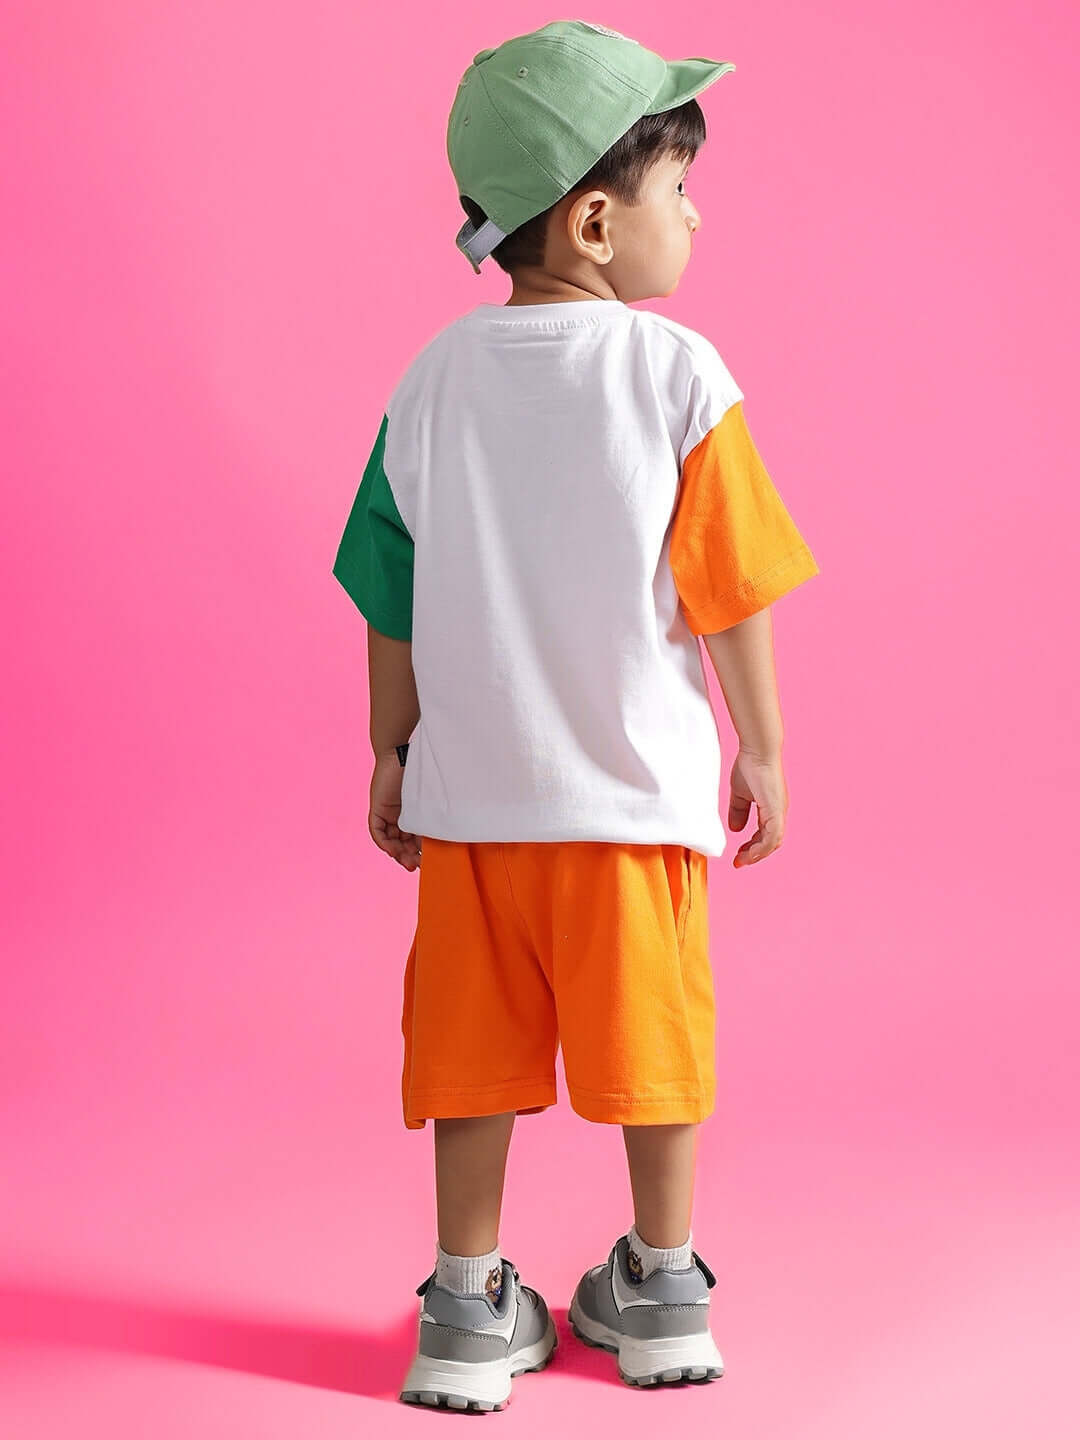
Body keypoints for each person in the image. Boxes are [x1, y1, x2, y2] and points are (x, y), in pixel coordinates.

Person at [332, 19, 820, 1414]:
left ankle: (465, 1303)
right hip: (633, 807)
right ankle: (661, 1284)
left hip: (475, 814)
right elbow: (732, 589)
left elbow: (390, 592)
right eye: (681, 190)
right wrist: (764, 747)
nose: (696, 215)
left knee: (470, 1062)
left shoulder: (430, 381)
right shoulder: (679, 375)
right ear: (597, 222)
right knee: (654, 1050)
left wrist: (392, 750)